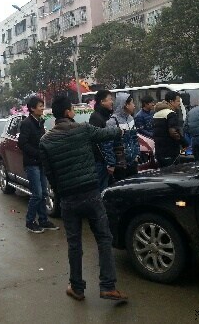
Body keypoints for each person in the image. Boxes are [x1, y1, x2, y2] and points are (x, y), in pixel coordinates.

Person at [39, 95, 128, 303]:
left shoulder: (45, 141)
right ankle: (108, 287)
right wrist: (122, 130)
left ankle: (77, 288)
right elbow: (106, 134)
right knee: (104, 238)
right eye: (72, 109)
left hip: (68, 198)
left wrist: (61, 192)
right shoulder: (83, 129)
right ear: (68, 112)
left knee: (74, 244)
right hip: (91, 193)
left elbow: (49, 173)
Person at [18, 96, 59, 234]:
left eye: (43, 105)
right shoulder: (26, 123)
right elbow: (22, 144)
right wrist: (37, 154)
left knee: (44, 193)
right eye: (40, 106)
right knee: (37, 194)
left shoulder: (40, 122)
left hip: (41, 163)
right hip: (32, 164)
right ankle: (30, 222)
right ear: (32, 108)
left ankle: (43, 220)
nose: (42, 108)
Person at [102, 93, 140, 181]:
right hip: (120, 165)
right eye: (132, 103)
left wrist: (137, 155)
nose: (134, 106)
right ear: (125, 105)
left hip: (132, 163)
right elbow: (108, 145)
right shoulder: (112, 122)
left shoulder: (131, 119)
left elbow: (135, 138)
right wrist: (111, 164)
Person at [152, 91, 187, 168]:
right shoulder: (171, 114)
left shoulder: (156, 114)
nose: (179, 104)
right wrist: (184, 143)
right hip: (170, 151)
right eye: (178, 101)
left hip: (159, 151)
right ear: (171, 101)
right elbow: (173, 132)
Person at [89, 90, 114, 191]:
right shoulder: (95, 118)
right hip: (102, 162)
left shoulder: (107, 115)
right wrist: (109, 162)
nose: (112, 102)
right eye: (110, 99)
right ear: (102, 102)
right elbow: (99, 142)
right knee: (103, 189)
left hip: (108, 160)